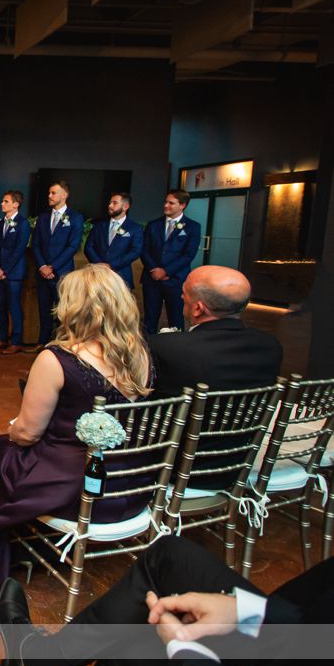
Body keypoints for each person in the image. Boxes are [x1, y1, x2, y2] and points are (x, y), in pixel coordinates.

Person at [0, 264, 153, 606]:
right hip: (131, 483)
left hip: (77, 486)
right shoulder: (139, 353)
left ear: (73, 307)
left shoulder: (56, 359)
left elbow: (27, 434)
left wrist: (14, 428)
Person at [0, 536, 334, 666]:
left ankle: (33, 661)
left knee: (137, 642)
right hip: (299, 633)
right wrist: (247, 611)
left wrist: (185, 650)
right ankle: (35, 661)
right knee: (169, 556)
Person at [149, 265, 283, 490]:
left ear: (198, 309)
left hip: (171, 470)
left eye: (185, 294)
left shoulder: (165, 347)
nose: (181, 297)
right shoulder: (270, 347)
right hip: (235, 466)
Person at [30, 181, 84, 351]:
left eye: (53, 193)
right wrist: (42, 267)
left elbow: (73, 246)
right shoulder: (43, 217)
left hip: (62, 273)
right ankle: (43, 342)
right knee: (44, 309)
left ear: (64, 195)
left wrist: (52, 267)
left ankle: (60, 345)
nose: (50, 196)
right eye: (49, 193)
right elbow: (36, 244)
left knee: (62, 311)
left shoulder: (75, 217)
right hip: (42, 272)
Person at [141, 189, 202, 334]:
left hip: (175, 280)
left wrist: (166, 271)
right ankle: (148, 351)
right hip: (151, 279)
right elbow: (144, 250)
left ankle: (173, 350)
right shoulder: (153, 225)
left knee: (176, 320)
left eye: (171, 203)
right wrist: (154, 269)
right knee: (150, 320)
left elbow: (188, 254)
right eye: (165, 202)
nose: (166, 205)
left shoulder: (193, 227)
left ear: (183, 205)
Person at [0, 191, 31, 355]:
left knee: (14, 308)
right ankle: (1, 339)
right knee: (0, 307)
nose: (2, 204)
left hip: (14, 274)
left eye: (6, 201)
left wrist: (4, 269)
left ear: (16, 204)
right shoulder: (0, 224)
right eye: (2, 201)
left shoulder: (23, 223)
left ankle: (16, 341)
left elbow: (19, 249)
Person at [84, 192, 143, 289]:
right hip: (97, 276)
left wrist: (112, 265)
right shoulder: (99, 225)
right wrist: (99, 265)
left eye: (114, 203)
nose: (110, 206)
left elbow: (136, 251)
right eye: (110, 203)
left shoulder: (135, 228)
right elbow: (89, 246)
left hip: (121, 276)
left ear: (125, 206)